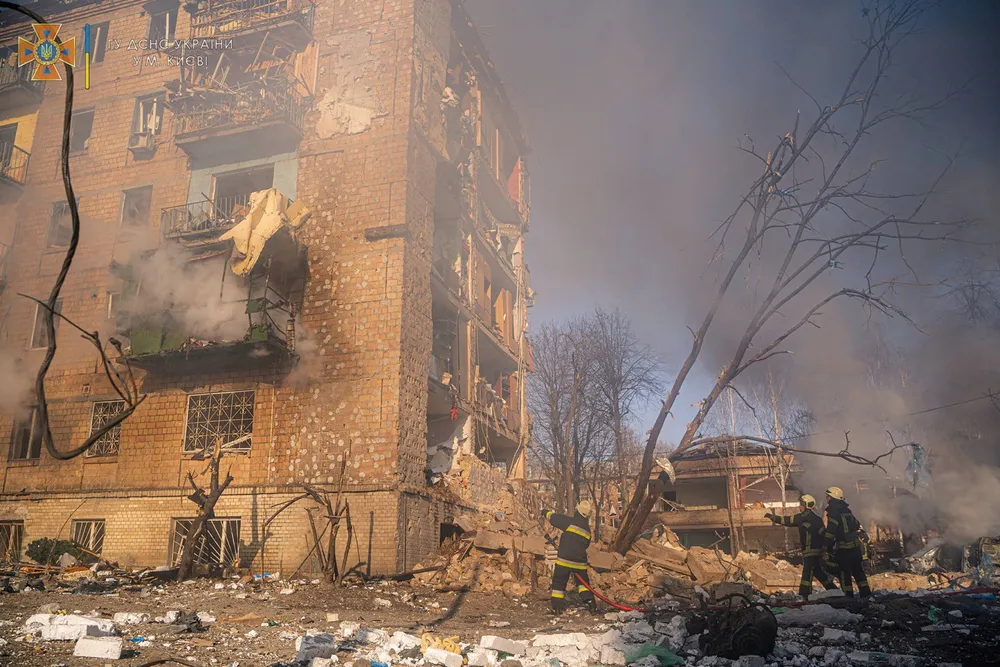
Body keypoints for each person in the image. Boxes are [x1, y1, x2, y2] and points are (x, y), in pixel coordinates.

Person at [764, 494, 838, 599]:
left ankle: (805, 595)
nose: (799, 507)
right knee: (817, 572)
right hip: (817, 552)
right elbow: (824, 535)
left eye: (801, 505)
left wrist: (773, 517)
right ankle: (833, 590)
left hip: (809, 552)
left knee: (807, 573)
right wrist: (826, 547)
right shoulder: (817, 519)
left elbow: (786, 520)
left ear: (806, 505)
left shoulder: (801, 517)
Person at [542, 500, 596, 613]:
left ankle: (557, 608)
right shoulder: (587, 530)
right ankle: (591, 604)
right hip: (580, 563)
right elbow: (586, 545)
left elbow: (554, 519)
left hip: (564, 560)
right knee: (583, 584)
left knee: (559, 583)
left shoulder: (570, 522)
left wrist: (545, 512)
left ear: (578, 510)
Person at [823, 486, 872, 598]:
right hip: (855, 548)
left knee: (844, 573)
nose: (826, 498)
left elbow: (831, 531)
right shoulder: (847, 510)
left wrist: (825, 545)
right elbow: (856, 524)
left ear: (832, 498)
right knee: (858, 572)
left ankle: (848, 596)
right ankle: (866, 595)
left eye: (828, 496)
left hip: (844, 549)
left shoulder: (833, 511)